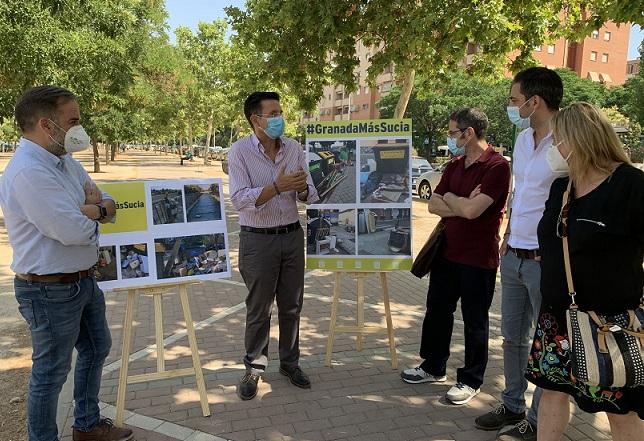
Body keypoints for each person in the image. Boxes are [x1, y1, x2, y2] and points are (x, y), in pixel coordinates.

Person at [0, 86, 128, 441]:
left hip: (82, 280)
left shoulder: (64, 162)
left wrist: (95, 208)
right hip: (47, 289)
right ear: (46, 124)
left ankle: (86, 424)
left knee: (96, 347)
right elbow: (72, 230)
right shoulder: (28, 172)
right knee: (52, 372)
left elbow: (105, 200)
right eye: (73, 121)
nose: (80, 129)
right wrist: (95, 211)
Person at [525, 102, 644, 440]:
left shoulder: (631, 186)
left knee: (619, 409)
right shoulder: (561, 186)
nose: (553, 148)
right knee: (552, 392)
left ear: (579, 139)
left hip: (610, 323)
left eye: (556, 139)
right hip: (556, 317)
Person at [475, 67, 565, 441]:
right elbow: (521, 193)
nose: (511, 107)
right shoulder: (523, 138)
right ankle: (511, 403)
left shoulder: (568, 140)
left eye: (514, 100)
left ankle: (538, 417)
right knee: (512, 336)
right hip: (514, 255)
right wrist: (508, 233)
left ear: (535, 101)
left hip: (546, 261)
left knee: (545, 344)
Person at [401, 108, 511, 405]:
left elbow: (475, 212)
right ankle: (433, 366)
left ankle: (470, 379)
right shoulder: (455, 165)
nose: (450, 138)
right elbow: (433, 205)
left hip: (478, 259)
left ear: (469, 132)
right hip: (447, 253)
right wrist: (457, 202)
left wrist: (455, 201)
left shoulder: (497, 167)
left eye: (452, 133)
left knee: (475, 320)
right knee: (437, 311)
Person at [228, 91, 319, 401]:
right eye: (274, 113)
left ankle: (290, 363)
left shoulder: (294, 148)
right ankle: (254, 367)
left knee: (292, 306)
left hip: (292, 236)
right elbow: (239, 199)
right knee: (258, 309)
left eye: (281, 111)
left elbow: (311, 193)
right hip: (257, 239)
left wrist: (303, 188)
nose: (280, 118)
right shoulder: (239, 152)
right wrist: (276, 186)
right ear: (256, 120)